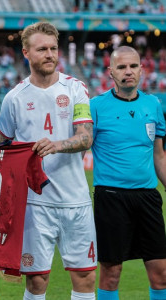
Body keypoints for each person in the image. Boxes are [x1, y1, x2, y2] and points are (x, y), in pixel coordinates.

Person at [0, 22, 96, 300]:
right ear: (26, 52)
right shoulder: (13, 99)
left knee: (85, 276)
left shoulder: (75, 88)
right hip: (34, 205)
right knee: (37, 281)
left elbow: (85, 138)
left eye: (54, 48)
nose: (50, 54)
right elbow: (4, 152)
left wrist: (56, 145)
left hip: (75, 201)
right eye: (42, 49)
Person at [90, 46, 166, 300]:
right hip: (111, 198)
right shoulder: (96, 107)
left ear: (142, 70)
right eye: (121, 67)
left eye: (133, 66)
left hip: (148, 197)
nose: (128, 71)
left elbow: (159, 155)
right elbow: (79, 152)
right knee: (111, 274)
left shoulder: (153, 105)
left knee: (161, 273)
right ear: (111, 72)